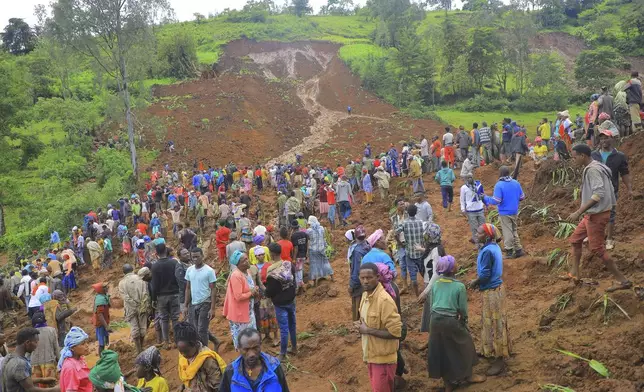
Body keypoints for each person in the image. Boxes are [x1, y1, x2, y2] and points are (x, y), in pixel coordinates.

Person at [566, 144, 632, 292]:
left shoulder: (593, 170)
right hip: (592, 214)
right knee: (575, 240)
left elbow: (598, 194)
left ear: (583, 156)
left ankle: (623, 281)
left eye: (575, 156)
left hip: (597, 214)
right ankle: (575, 274)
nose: (573, 159)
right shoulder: (596, 166)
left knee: (597, 249)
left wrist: (578, 212)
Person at [426, 256, 485, 391]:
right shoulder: (459, 286)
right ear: (453, 269)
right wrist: (464, 322)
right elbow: (462, 309)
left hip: (435, 321)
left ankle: (448, 383)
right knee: (466, 344)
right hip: (450, 320)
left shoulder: (436, 284)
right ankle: (468, 375)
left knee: (441, 350)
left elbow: (431, 305)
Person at [468, 224, 511, 376]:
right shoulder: (494, 246)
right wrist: (477, 241)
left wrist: (475, 282)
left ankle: (499, 360)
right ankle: (494, 349)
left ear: (487, 236)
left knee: (494, 323)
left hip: (491, 291)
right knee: (497, 321)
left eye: (479, 233)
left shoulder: (487, 252)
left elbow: (485, 275)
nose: (476, 234)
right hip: (497, 289)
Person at [356, 263, 402, 392]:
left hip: (383, 361)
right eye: (362, 278)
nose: (365, 281)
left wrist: (367, 330)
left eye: (369, 277)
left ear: (377, 277)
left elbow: (396, 333)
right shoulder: (365, 296)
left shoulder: (384, 301)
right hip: (372, 355)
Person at [591, 129, 633, 250]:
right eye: (602, 138)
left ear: (612, 139)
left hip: (611, 189)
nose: (604, 140)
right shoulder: (594, 155)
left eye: (606, 138)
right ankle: (595, 235)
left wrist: (629, 188)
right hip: (596, 189)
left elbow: (624, 173)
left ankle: (609, 239)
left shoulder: (619, 156)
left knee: (610, 214)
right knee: (594, 212)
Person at [219, 328, 290, 392]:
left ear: (260, 345)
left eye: (255, 348)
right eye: (246, 349)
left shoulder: (274, 367)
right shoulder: (231, 372)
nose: (251, 354)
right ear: (239, 348)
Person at [483, 166, 525, 259]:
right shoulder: (516, 183)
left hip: (505, 212)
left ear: (500, 174)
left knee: (507, 231)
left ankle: (509, 251)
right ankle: (518, 249)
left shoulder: (499, 185)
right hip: (514, 211)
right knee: (514, 230)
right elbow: (522, 197)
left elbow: (496, 201)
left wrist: (485, 198)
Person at [264, 243, 297, 361]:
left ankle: (282, 353)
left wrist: (265, 293)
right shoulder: (288, 264)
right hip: (291, 299)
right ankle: (294, 347)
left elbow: (270, 290)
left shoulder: (271, 270)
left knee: (283, 328)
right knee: (292, 324)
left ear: (272, 254)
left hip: (280, 303)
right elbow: (294, 280)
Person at [2, 328, 59, 392]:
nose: (37, 345)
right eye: (36, 342)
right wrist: (55, 389)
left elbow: (20, 380)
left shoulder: (9, 357)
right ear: (27, 342)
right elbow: (30, 389)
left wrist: (42, 380)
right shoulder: (19, 364)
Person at [223, 251, 259, 350]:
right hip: (239, 314)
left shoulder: (247, 272)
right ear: (238, 264)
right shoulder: (236, 276)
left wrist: (255, 289)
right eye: (244, 260)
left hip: (248, 312)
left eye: (247, 258)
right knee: (243, 342)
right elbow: (238, 296)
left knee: (250, 339)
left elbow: (250, 287)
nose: (248, 261)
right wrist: (252, 293)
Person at [184, 247, 218, 350]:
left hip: (205, 302)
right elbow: (188, 288)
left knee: (201, 329)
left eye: (197, 257)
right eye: (193, 257)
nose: (195, 259)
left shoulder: (209, 271)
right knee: (196, 328)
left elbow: (213, 289)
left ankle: (204, 352)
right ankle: (216, 341)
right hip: (193, 303)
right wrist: (185, 305)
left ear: (202, 256)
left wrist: (212, 308)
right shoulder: (189, 270)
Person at [150, 242, 180, 348]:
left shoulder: (155, 266)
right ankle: (177, 341)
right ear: (166, 251)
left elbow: (154, 285)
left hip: (161, 297)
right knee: (175, 318)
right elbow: (178, 278)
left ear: (156, 253)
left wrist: (153, 299)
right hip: (175, 294)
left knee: (164, 319)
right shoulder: (174, 263)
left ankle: (166, 342)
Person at [118, 264, 149, 353]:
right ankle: (142, 346)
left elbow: (125, 297)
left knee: (134, 328)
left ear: (123, 272)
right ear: (133, 270)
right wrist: (141, 304)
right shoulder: (140, 279)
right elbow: (145, 293)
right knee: (143, 327)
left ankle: (138, 350)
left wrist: (133, 304)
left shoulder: (121, 283)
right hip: (142, 306)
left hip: (130, 308)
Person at [396, 205, 425, 297]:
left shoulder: (404, 223)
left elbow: (396, 233)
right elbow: (425, 234)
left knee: (413, 277)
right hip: (420, 252)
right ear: (416, 212)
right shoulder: (421, 222)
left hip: (410, 253)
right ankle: (427, 291)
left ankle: (417, 296)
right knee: (424, 273)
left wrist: (400, 243)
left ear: (407, 212)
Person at [30, 312, 60, 387]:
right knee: (51, 385)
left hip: (34, 363)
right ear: (44, 320)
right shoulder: (51, 330)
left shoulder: (30, 332)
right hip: (49, 361)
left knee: (38, 387)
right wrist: (60, 361)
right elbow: (56, 348)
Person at [58, 327, 92, 392]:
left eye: (86, 342)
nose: (87, 345)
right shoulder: (70, 367)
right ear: (72, 348)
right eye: (82, 344)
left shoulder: (80, 359)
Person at [348, 226, 371, 321]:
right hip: (370, 278)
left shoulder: (357, 251)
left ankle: (358, 324)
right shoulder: (368, 246)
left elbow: (356, 269)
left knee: (357, 305)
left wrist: (352, 285)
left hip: (360, 281)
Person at [306, 217, 334, 286]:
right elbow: (324, 238)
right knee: (325, 262)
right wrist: (325, 246)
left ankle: (315, 282)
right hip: (321, 248)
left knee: (314, 265)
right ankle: (332, 277)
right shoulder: (321, 228)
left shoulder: (309, 231)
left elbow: (308, 240)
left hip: (313, 250)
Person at [460, 175, 486, 247]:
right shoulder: (464, 188)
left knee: (483, 227)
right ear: (466, 179)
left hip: (480, 209)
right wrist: (463, 209)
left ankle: (483, 242)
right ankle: (478, 244)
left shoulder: (479, 185)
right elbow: (462, 200)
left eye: (471, 177)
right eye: (468, 178)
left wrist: (485, 204)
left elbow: (482, 195)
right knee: (474, 228)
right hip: (471, 211)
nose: (469, 179)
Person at [91, 282, 111, 355]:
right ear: (101, 290)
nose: (107, 288)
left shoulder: (103, 296)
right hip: (100, 324)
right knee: (101, 343)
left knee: (105, 340)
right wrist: (106, 327)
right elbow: (100, 315)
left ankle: (103, 355)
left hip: (104, 322)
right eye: (105, 287)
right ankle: (101, 358)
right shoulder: (100, 300)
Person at [290, 221, 308, 291]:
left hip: (297, 256)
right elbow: (307, 243)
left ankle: (299, 285)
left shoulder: (294, 236)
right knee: (300, 269)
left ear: (292, 228)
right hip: (303, 254)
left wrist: (294, 258)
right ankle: (301, 283)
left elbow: (296, 247)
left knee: (297, 271)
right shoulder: (304, 233)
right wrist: (306, 254)